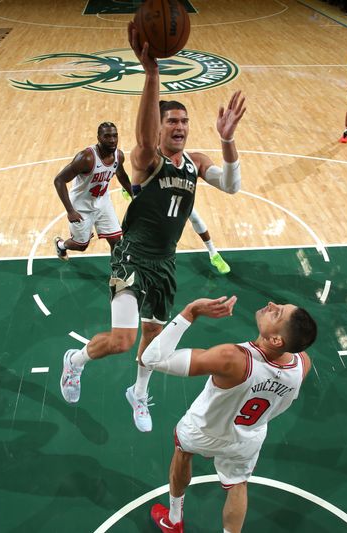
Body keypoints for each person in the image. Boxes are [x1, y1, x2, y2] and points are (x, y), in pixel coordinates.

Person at [59, 23, 247, 432]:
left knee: (153, 343)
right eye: (172, 121)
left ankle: (139, 393)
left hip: (165, 263)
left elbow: (232, 186)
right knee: (123, 341)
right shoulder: (148, 160)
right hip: (132, 258)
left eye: (184, 121)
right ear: (160, 128)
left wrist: (228, 141)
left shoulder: (195, 161)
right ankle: (74, 362)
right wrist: (151, 75)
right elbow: (142, 137)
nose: (179, 127)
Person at [141, 296, 317, 533]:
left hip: (203, 430)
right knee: (238, 485)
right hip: (247, 438)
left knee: (183, 453)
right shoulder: (303, 363)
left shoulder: (232, 358)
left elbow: (150, 359)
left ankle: (173, 520)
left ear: (276, 339)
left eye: (277, 313)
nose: (272, 304)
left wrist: (190, 312)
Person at [53, 122, 133, 260]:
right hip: (81, 206)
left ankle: (117, 274)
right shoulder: (86, 158)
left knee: (116, 240)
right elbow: (59, 180)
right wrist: (70, 211)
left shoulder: (118, 156)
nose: (112, 140)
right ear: (99, 138)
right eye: (107, 136)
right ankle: (61, 245)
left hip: (103, 202)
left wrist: (134, 195)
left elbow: (122, 175)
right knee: (81, 245)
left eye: (115, 136)